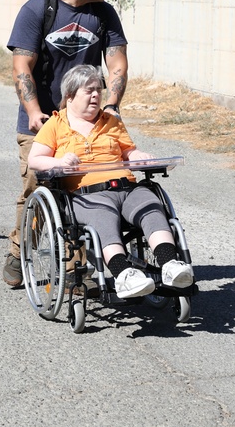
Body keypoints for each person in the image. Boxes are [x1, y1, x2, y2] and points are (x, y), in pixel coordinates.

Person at [3, 0, 130, 287]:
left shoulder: (104, 15)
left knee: (88, 187)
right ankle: (19, 251)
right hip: (42, 123)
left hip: (87, 124)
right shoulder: (38, 10)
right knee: (38, 186)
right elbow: (21, 66)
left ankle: (76, 266)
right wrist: (33, 111)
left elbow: (116, 62)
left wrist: (112, 104)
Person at [27, 65, 193, 298]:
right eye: (89, 91)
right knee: (103, 217)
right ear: (70, 96)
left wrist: (140, 157)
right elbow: (34, 160)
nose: (96, 95)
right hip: (86, 195)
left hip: (126, 186)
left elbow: (128, 152)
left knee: (151, 206)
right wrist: (60, 162)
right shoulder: (56, 124)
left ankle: (169, 265)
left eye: (98, 90)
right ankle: (124, 275)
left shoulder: (111, 121)